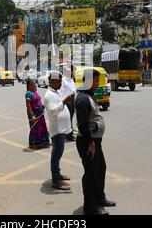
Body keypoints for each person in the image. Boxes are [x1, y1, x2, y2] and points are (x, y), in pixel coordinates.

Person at [75, 69, 116, 215]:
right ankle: (90, 206)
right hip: (88, 142)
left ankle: (100, 198)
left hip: (95, 141)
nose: (98, 84)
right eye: (96, 81)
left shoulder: (89, 95)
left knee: (100, 169)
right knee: (91, 173)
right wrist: (91, 143)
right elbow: (82, 125)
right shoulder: (82, 98)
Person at [44, 72, 75, 191]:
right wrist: (64, 101)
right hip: (57, 129)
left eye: (61, 82)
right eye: (58, 82)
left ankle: (58, 174)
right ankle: (56, 181)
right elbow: (52, 111)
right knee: (56, 154)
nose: (61, 84)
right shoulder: (49, 95)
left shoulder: (55, 92)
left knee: (58, 154)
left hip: (61, 127)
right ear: (51, 81)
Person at [25, 79, 50, 150]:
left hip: (40, 113)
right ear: (29, 86)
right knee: (34, 128)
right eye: (32, 84)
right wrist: (32, 115)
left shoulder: (35, 92)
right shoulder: (28, 93)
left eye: (34, 84)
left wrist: (43, 106)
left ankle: (43, 142)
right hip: (34, 113)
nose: (34, 85)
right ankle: (33, 143)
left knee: (41, 127)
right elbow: (28, 105)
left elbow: (39, 100)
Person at [59, 65, 77, 142]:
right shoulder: (63, 80)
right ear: (65, 72)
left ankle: (68, 133)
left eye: (71, 72)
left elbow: (73, 90)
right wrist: (62, 102)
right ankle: (69, 135)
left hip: (72, 100)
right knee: (67, 118)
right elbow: (60, 91)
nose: (70, 73)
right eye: (68, 72)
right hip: (66, 101)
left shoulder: (71, 80)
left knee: (70, 118)